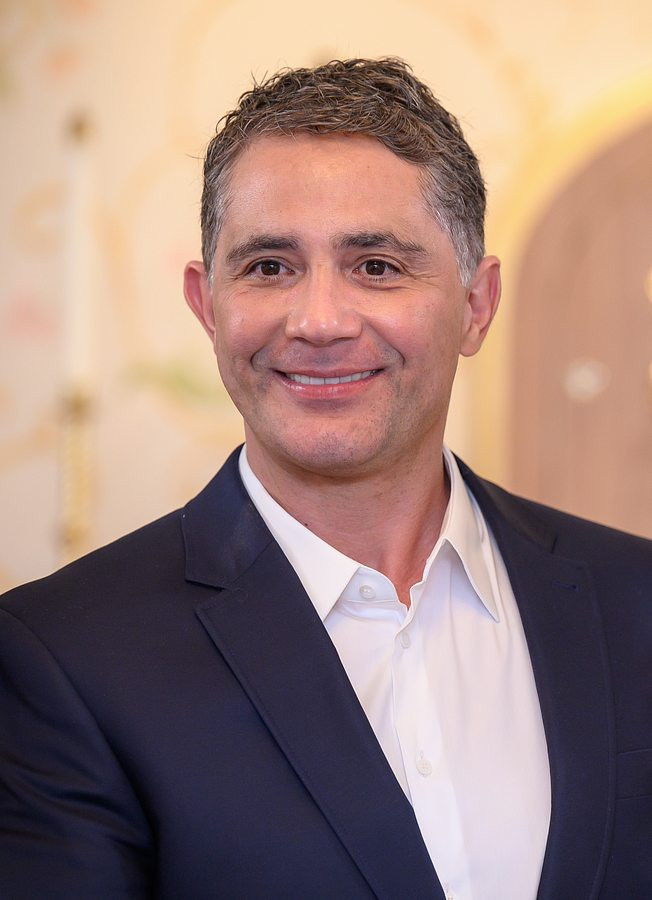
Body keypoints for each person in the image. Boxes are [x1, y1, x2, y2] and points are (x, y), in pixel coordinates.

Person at [0, 58, 649, 900]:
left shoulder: (636, 601)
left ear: (476, 304)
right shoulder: (64, 656)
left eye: (376, 265)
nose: (319, 322)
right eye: (269, 267)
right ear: (207, 305)